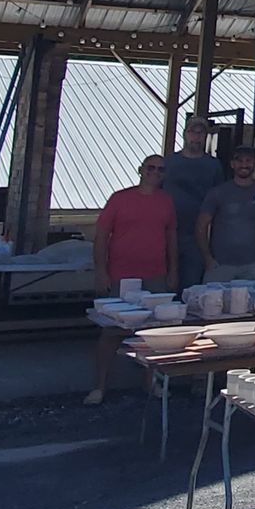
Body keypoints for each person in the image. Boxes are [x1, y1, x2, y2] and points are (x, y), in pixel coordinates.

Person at [87, 155, 177, 405]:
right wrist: (101, 271)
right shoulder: (120, 198)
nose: (155, 173)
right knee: (111, 330)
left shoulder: (166, 202)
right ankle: (100, 385)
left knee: (153, 331)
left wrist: (173, 270)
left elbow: (171, 236)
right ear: (140, 170)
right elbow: (102, 235)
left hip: (155, 274)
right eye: (151, 168)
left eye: (160, 169)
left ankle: (150, 382)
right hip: (121, 275)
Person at [164, 116, 223, 289]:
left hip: (197, 239)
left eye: (200, 132)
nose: (196, 136)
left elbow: (219, 201)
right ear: (184, 134)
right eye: (192, 132)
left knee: (190, 288)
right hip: (167, 234)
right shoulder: (168, 162)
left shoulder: (213, 166)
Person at [197, 144, 255, 283]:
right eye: (239, 160)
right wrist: (207, 259)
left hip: (252, 265)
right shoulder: (218, 192)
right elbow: (201, 226)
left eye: (248, 160)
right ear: (232, 164)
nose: (244, 164)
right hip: (220, 265)